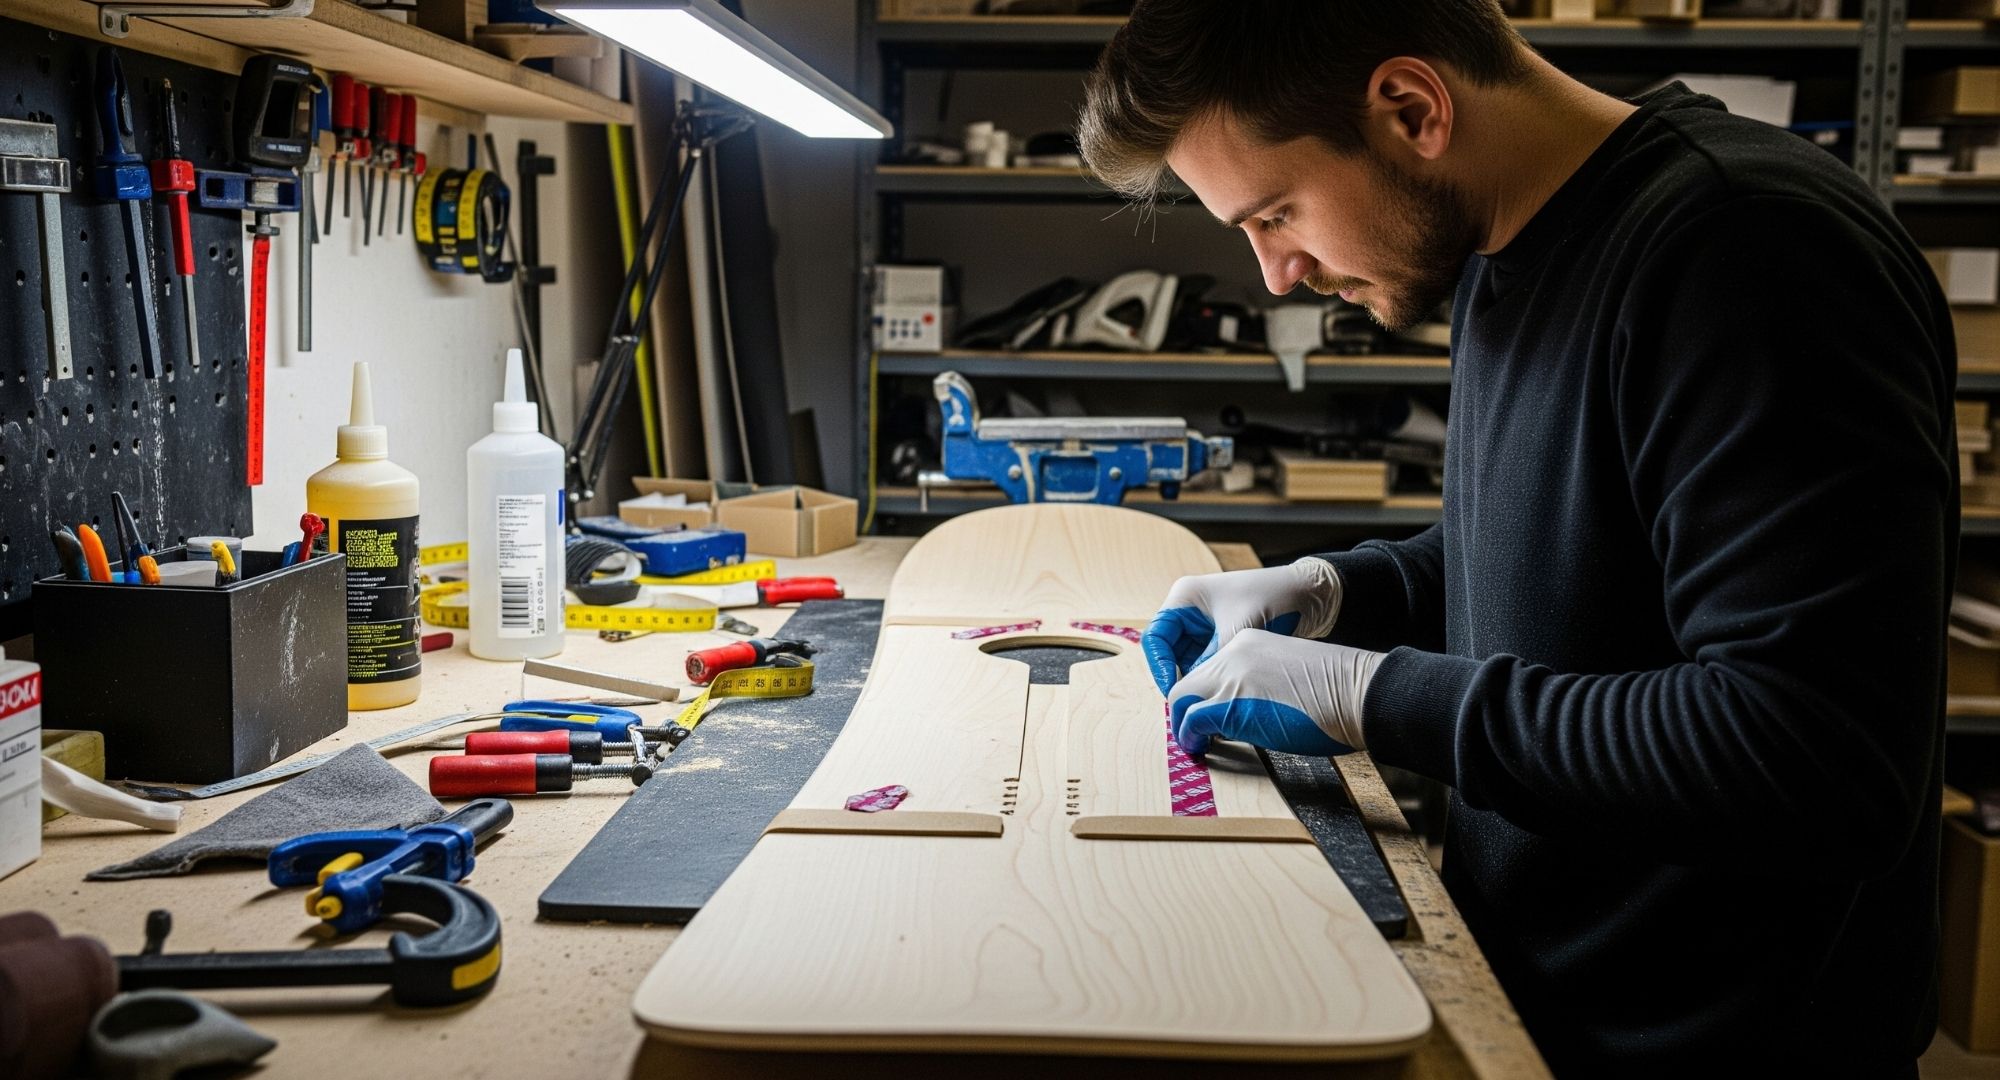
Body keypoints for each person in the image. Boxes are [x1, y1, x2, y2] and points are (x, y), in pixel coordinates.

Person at [1083, 2, 1956, 1074]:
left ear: (1411, 109)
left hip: (1714, 1043)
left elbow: (1809, 757)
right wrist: (1333, 590)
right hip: (1544, 999)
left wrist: (1370, 696)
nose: (1276, 272)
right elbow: (1560, 553)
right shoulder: (1505, 241)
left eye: (1273, 214)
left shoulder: (1749, 249)